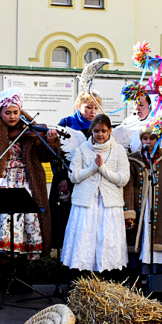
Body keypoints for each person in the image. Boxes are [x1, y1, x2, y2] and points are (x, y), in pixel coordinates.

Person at [0, 88, 60, 289]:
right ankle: (6, 277)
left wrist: (51, 140)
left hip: (28, 186)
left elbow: (45, 155)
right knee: (3, 231)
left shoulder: (32, 129)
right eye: (7, 112)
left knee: (26, 231)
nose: (12, 116)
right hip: (1, 186)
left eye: (15, 112)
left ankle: (23, 277)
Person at [61, 114, 130, 274]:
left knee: (106, 240)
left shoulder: (118, 150)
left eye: (104, 131)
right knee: (85, 239)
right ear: (91, 131)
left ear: (110, 131)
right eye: (96, 131)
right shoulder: (83, 149)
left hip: (109, 205)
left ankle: (106, 278)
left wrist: (103, 170)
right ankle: (82, 278)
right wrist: (93, 168)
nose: (100, 134)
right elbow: (73, 176)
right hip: (86, 203)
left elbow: (123, 179)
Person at [50, 90, 102, 248]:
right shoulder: (67, 122)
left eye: (96, 108)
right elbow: (56, 153)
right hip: (67, 179)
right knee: (65, 217)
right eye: (88, 107)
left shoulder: (99, 125)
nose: (92, 111)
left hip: (90, 179)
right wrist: (61, 178)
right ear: (79, 106)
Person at [124, 119, 162, 277]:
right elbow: (129, 188)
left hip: (160, 208)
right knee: (141, 239)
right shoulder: (133, 159)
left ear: (158, 139)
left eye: (152, 138)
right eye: (145, 138)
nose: (148, 142)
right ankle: (140, 277)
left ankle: (158, 276)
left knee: (157, 239)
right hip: (142, 208)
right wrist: (129, 212)